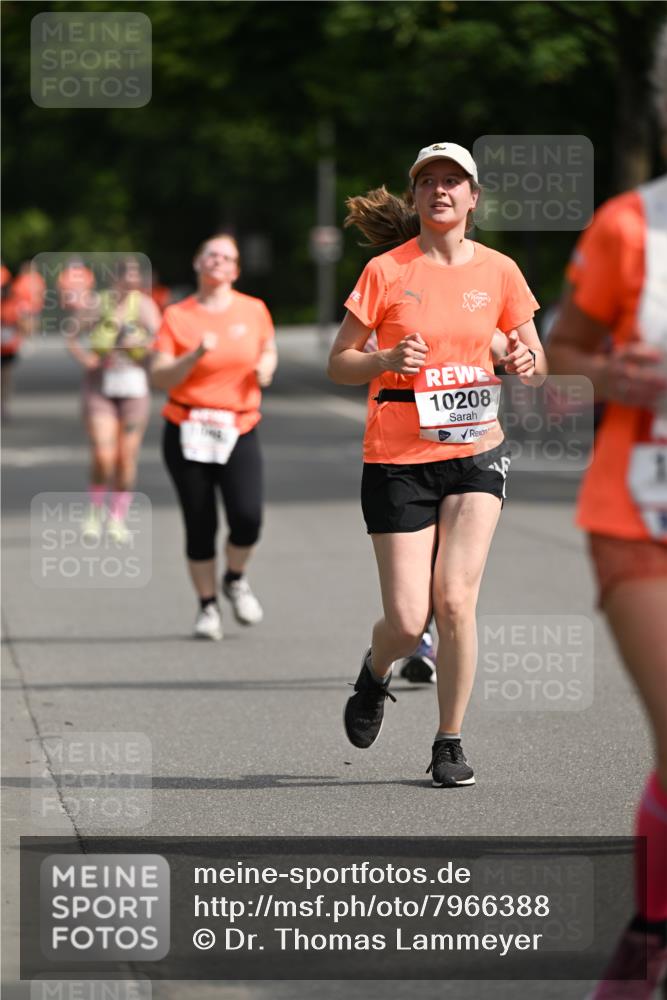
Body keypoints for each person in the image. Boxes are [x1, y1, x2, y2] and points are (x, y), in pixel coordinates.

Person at [328, 142, 546, 786]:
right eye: (429, 182)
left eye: (454, 182)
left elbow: (532, 352)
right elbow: (341, 361)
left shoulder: (501, 271)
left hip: (477, 450)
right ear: (416, 196)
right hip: (397, 458)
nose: (441, 191)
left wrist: (529, 362)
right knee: (406, 619)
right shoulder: (386, 271)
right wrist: (383, 361)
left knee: (454, 600)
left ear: (473, 198)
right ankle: (375, 673)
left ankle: (448, 741)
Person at [547, 28, 667, 998]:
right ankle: (655, 935)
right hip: (641, 514)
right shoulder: (632, 229)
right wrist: (611, 369)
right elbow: (561, 347)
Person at [150, 233, 277, 641]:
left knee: (247, 518)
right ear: (197, 262)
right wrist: (194, 356)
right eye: (211, 255)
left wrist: (266, 368)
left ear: (235, 269)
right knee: (200, 522)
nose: (219, 261)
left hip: (238, 427)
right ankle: (207, 607)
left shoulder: (254, 309)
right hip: (187, 427)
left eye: (227, 257)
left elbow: (268, 349)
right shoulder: (177, 316)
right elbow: (158, 376)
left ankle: (234, 578)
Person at [65, 256, 161, 543]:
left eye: (136, 278)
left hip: (134, 388)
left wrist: (142, 345)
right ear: (115, 278)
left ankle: (117, 517)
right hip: (100, 389)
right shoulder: (99, 303)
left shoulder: (144, 306)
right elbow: (71, 334)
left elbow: (162, 340)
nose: (131, 283)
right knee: (104, 456)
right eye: (126, 277)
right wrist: (86, 359)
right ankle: (95, 511)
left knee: (125, 458)